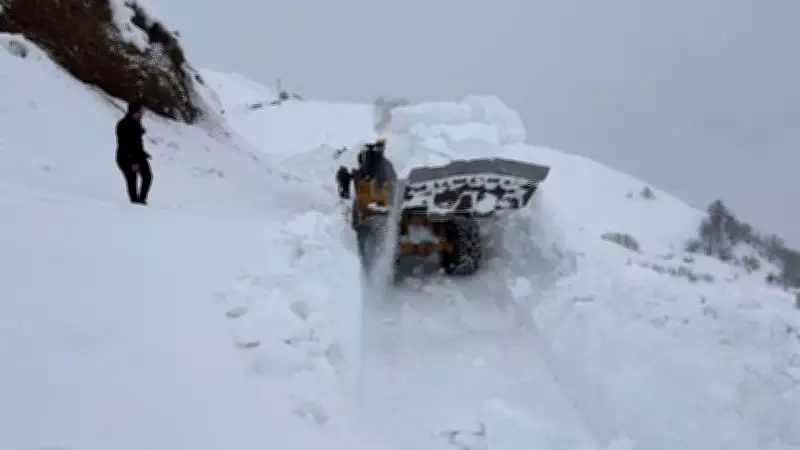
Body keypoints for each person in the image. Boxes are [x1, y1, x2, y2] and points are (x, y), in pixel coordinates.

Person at [115, 102, 152, 205]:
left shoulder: (137, 123)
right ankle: (135, 203)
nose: (142, 114)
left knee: (147, 176)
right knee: (132, 178)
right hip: (125, 157)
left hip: (138, 155)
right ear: (134, 112)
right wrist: (132, 161)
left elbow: (137, 143)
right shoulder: (123, 125)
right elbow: (124, 145)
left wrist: (143, 153)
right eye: (141, 111)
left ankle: (142, 200)